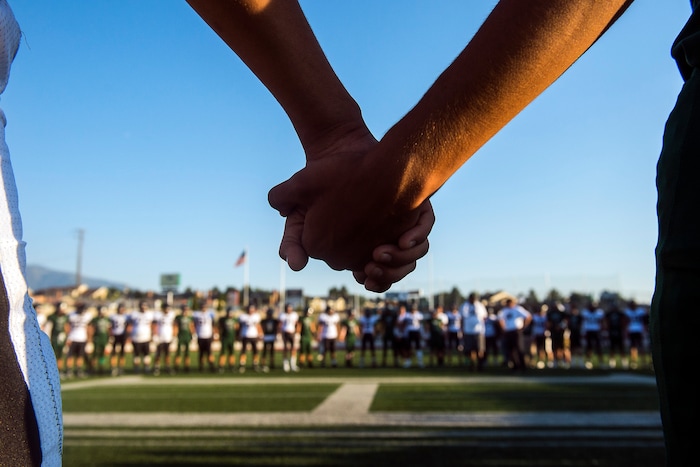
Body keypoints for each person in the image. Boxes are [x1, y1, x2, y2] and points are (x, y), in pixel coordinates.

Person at [498, 298, 532, 372]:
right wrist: (503, 328)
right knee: (511, 350)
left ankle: (523, 366)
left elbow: (528, 316)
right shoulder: (504, 310)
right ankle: (515, 366)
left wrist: (524, 326)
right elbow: (500, 319)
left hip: (516, 331)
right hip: (508, 332)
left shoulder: (518, 309)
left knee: (519, 349)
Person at [459, 293, 488, 371]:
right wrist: (462, 329)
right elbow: (461, 318)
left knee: (480, 349)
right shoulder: (464, 306)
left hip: (478, 331)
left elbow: (485, 317)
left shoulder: (480, 306)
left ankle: (480, 364)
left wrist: (482, 326)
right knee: (470, 350)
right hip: (468, 331)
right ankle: (472, 364)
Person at [127, 300, 156, 374]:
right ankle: (136, 368)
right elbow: (130, 325)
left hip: (146, 337)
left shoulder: (150, 314)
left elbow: (151, 325)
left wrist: (152, 335)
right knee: (136, 355)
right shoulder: (134, 314)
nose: (143, 308)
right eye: (142, 306)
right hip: (136, 337)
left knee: (146, 354)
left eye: (145, 306)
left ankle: (147, 368)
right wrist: (129, 336)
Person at [65, 302, 92, 378]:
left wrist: (89, 338)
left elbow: (89, 327)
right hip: (73, 337)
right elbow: (67, 326)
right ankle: (69, 370)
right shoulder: (71, 315)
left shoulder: (87, 315)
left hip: (82, 338)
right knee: (70, 356)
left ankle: (78, 370)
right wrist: (68, 337)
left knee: (80, 355)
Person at [193, 301, 217, 373]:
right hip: (200, 335)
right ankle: (201, 366)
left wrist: (214, 333)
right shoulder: (196, 314)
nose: (203, 308)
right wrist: (194, 333)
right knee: (201, 353)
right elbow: (194, 324)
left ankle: (211, 365)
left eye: (204, 307)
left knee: (209, 352)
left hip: (208, 335)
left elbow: (213, 324)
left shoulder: (210, 314)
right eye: (202, 307)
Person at [237, 303, 263, 372]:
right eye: (249, 309)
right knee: (243, 351)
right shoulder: (242, 316)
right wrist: (238, 335)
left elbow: (258, 325)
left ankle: (255, 364)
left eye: (252, 309)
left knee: (255, 351)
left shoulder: (256, 316)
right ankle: (242, 365)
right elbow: (239, 326)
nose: (250, 311)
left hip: (254, 335)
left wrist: (260, 334)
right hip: (245, 335)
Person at [46, 301, 69, 377]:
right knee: (53, 355)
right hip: (54, 338)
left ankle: (60, 370)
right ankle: (52, 370)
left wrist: (66, 337)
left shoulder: (65, 317)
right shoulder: (52, 317)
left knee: (61, 355)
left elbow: (66, 327)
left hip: (62, 338)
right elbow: (48, 328)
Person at [153, 302, 177, 376]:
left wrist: (174, 335)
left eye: (168, 308)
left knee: (167, 353)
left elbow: (174, 325)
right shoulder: (158, 315)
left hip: (168, 337)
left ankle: (167, 367)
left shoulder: (172, 315)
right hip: (160, 337)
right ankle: (157, 367)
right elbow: (154, 325)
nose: (167, 310)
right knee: (158, 354)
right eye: (166, 308)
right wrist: (155, 335)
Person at [624, 300, 649, 370]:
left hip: (639, 330)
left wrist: (645, 329)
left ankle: (643, 361)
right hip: (631, 331)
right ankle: (634, 362)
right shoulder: (627, 312)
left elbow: (645, 321)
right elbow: (625, 322)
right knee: (633, 347)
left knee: (641, 346)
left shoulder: (641, 311)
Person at [581, 302, 606, 369]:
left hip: (596, 331)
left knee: (598, 347)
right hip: (588, 331)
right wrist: (583, 331)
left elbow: (602, 322)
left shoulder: (599, 313)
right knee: (589, 347)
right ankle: (588, 361)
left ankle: (601, 361)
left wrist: (603, 330)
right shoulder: (585, 312)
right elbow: (583, 322)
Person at [88, 305, 112, 376]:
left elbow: (109, 329)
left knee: (102, 354)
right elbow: (90, 327)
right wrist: (90, 337)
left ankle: (101, 368)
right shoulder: (95, 319)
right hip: (97, 338)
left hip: (104, 338)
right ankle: (93, 368)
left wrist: (109, 337)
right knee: (95, 354)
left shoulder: (107, 319)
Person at [605, 302, 628, 369]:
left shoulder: (620, 314)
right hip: (611, 332)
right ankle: (612, 362)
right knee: (612, 348)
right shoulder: (608, 314)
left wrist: (624, 329)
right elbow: (606, 322)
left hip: (619, 332)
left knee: (621, 348)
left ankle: (624, 362)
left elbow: (624, 321)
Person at [278, 303, 300, 372]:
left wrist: (297, 333)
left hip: (292, 333)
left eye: (290, 308)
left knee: (293, 348)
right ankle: (286, 364)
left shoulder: (294, 315)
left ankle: (293, 364)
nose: (289, 309)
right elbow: (280, 325)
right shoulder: (282, 315)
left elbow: (297, 324)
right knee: (285, 349)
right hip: (285, 333)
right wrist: (279, 333)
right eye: (288, 308)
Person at [109, 302, 129, 376]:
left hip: (122, 335)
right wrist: (110, 336)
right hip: (115, 335)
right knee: (113, 352)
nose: (121, 310)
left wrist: (127, 336)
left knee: (122, 353)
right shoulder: (113, 316)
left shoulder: (126, 316)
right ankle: (113, 368)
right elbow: (110, 327)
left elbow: (128, 326)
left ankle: (121, 368)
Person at [174, 304, 195, 373]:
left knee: (187, 353)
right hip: (180, 336)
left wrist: (193, 334)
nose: (185, 311)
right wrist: (175, 335)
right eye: (184, 309)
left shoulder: (190, 317)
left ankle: (187, 367)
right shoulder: (178, 317)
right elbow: (176, 326)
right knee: (178, 352)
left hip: (187, 336)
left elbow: (191, 326)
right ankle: (177, 366)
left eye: (186, 310)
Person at [530, 304, 552, 369]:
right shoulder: (534, 316)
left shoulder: (546, 317)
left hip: (544, 334)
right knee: (536, 348)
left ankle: (548, 361)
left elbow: (548, 325)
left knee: (546, 349)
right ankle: (537, 361)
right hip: (536, 334)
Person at [218, 306, 238, 373]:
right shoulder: (223, 319)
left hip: (231, 338)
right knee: (223, 352)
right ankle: (221, 366)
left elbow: (236, 328)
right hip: (225, 338)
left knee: (231, 352)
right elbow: (220, 327)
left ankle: (231, 365)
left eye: (231, 313)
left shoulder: (234, 319)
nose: (230, 314)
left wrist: (237, 336)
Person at [260, 307, 279, 372]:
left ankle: (272, 363)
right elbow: (261, 328)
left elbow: (277, 328)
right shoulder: (263, 321)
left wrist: (276, 335)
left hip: (272, 336)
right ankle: (263, 363)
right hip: (266, 336)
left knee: (272, 351)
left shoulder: (275, 321)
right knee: (265, 351)